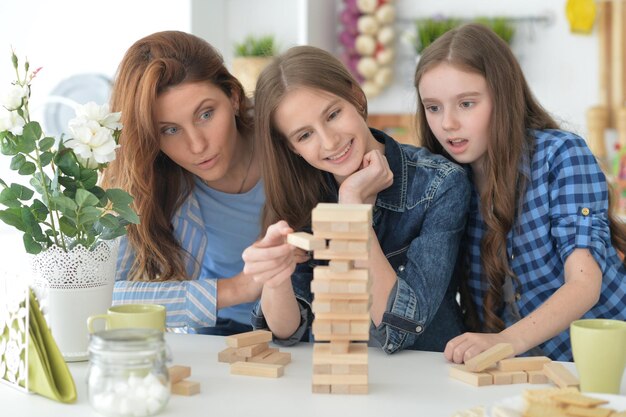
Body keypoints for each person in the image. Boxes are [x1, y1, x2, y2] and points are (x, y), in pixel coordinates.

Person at [414, 23, 626, 362]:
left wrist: (504, 342)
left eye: (466, 104)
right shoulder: (442, 184)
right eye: (433, 107)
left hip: (602, 365)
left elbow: (584, 284)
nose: (447, 123)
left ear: (504, 95)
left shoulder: (561, 155)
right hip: (515, 373)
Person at [242, 45, 471, 353]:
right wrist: (275, 277)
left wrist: (352, 210)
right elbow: (284, 334)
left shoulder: (439, 184)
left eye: (333, 114)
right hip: (335, 379)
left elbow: (399, 330)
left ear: (356, 97)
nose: (330, 141)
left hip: (424, 378)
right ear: (292, 147)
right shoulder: (300, 194)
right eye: (304, 135)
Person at [102, 30, 265, 335]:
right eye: (170, 130)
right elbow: (102, 296)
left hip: (314, 320)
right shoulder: (147, 181)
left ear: (232, 96)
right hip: (218, 327)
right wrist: (236, 289)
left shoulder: (286, 139)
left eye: (205, 114)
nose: (197, 146)